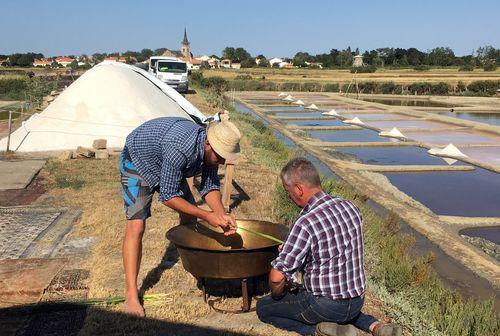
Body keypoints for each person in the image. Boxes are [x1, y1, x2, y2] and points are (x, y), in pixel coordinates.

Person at [257, 157, 402, 336]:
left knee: (264, 308)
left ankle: (317, 331)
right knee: (341, 307)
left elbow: (277, 277)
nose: (289, 196)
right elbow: (332, 250)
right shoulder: (350, 207)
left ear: (299, 189)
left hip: (325, 306)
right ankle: (375, 326)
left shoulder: (306, 222)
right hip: (356, 302)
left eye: (288, 192)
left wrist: (278, 294)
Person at [120, 116, 241, 317]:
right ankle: (131, 294)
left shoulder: (211, 149)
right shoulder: (180, 148)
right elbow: (168, 196)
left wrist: (221, 214)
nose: (221, 161)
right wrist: (207, 216)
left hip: (164, 161)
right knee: (137, 226)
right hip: (138, 161)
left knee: (189, 217)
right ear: (208, 143)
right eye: (219, 157)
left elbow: (209, 185)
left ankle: (189, 261)